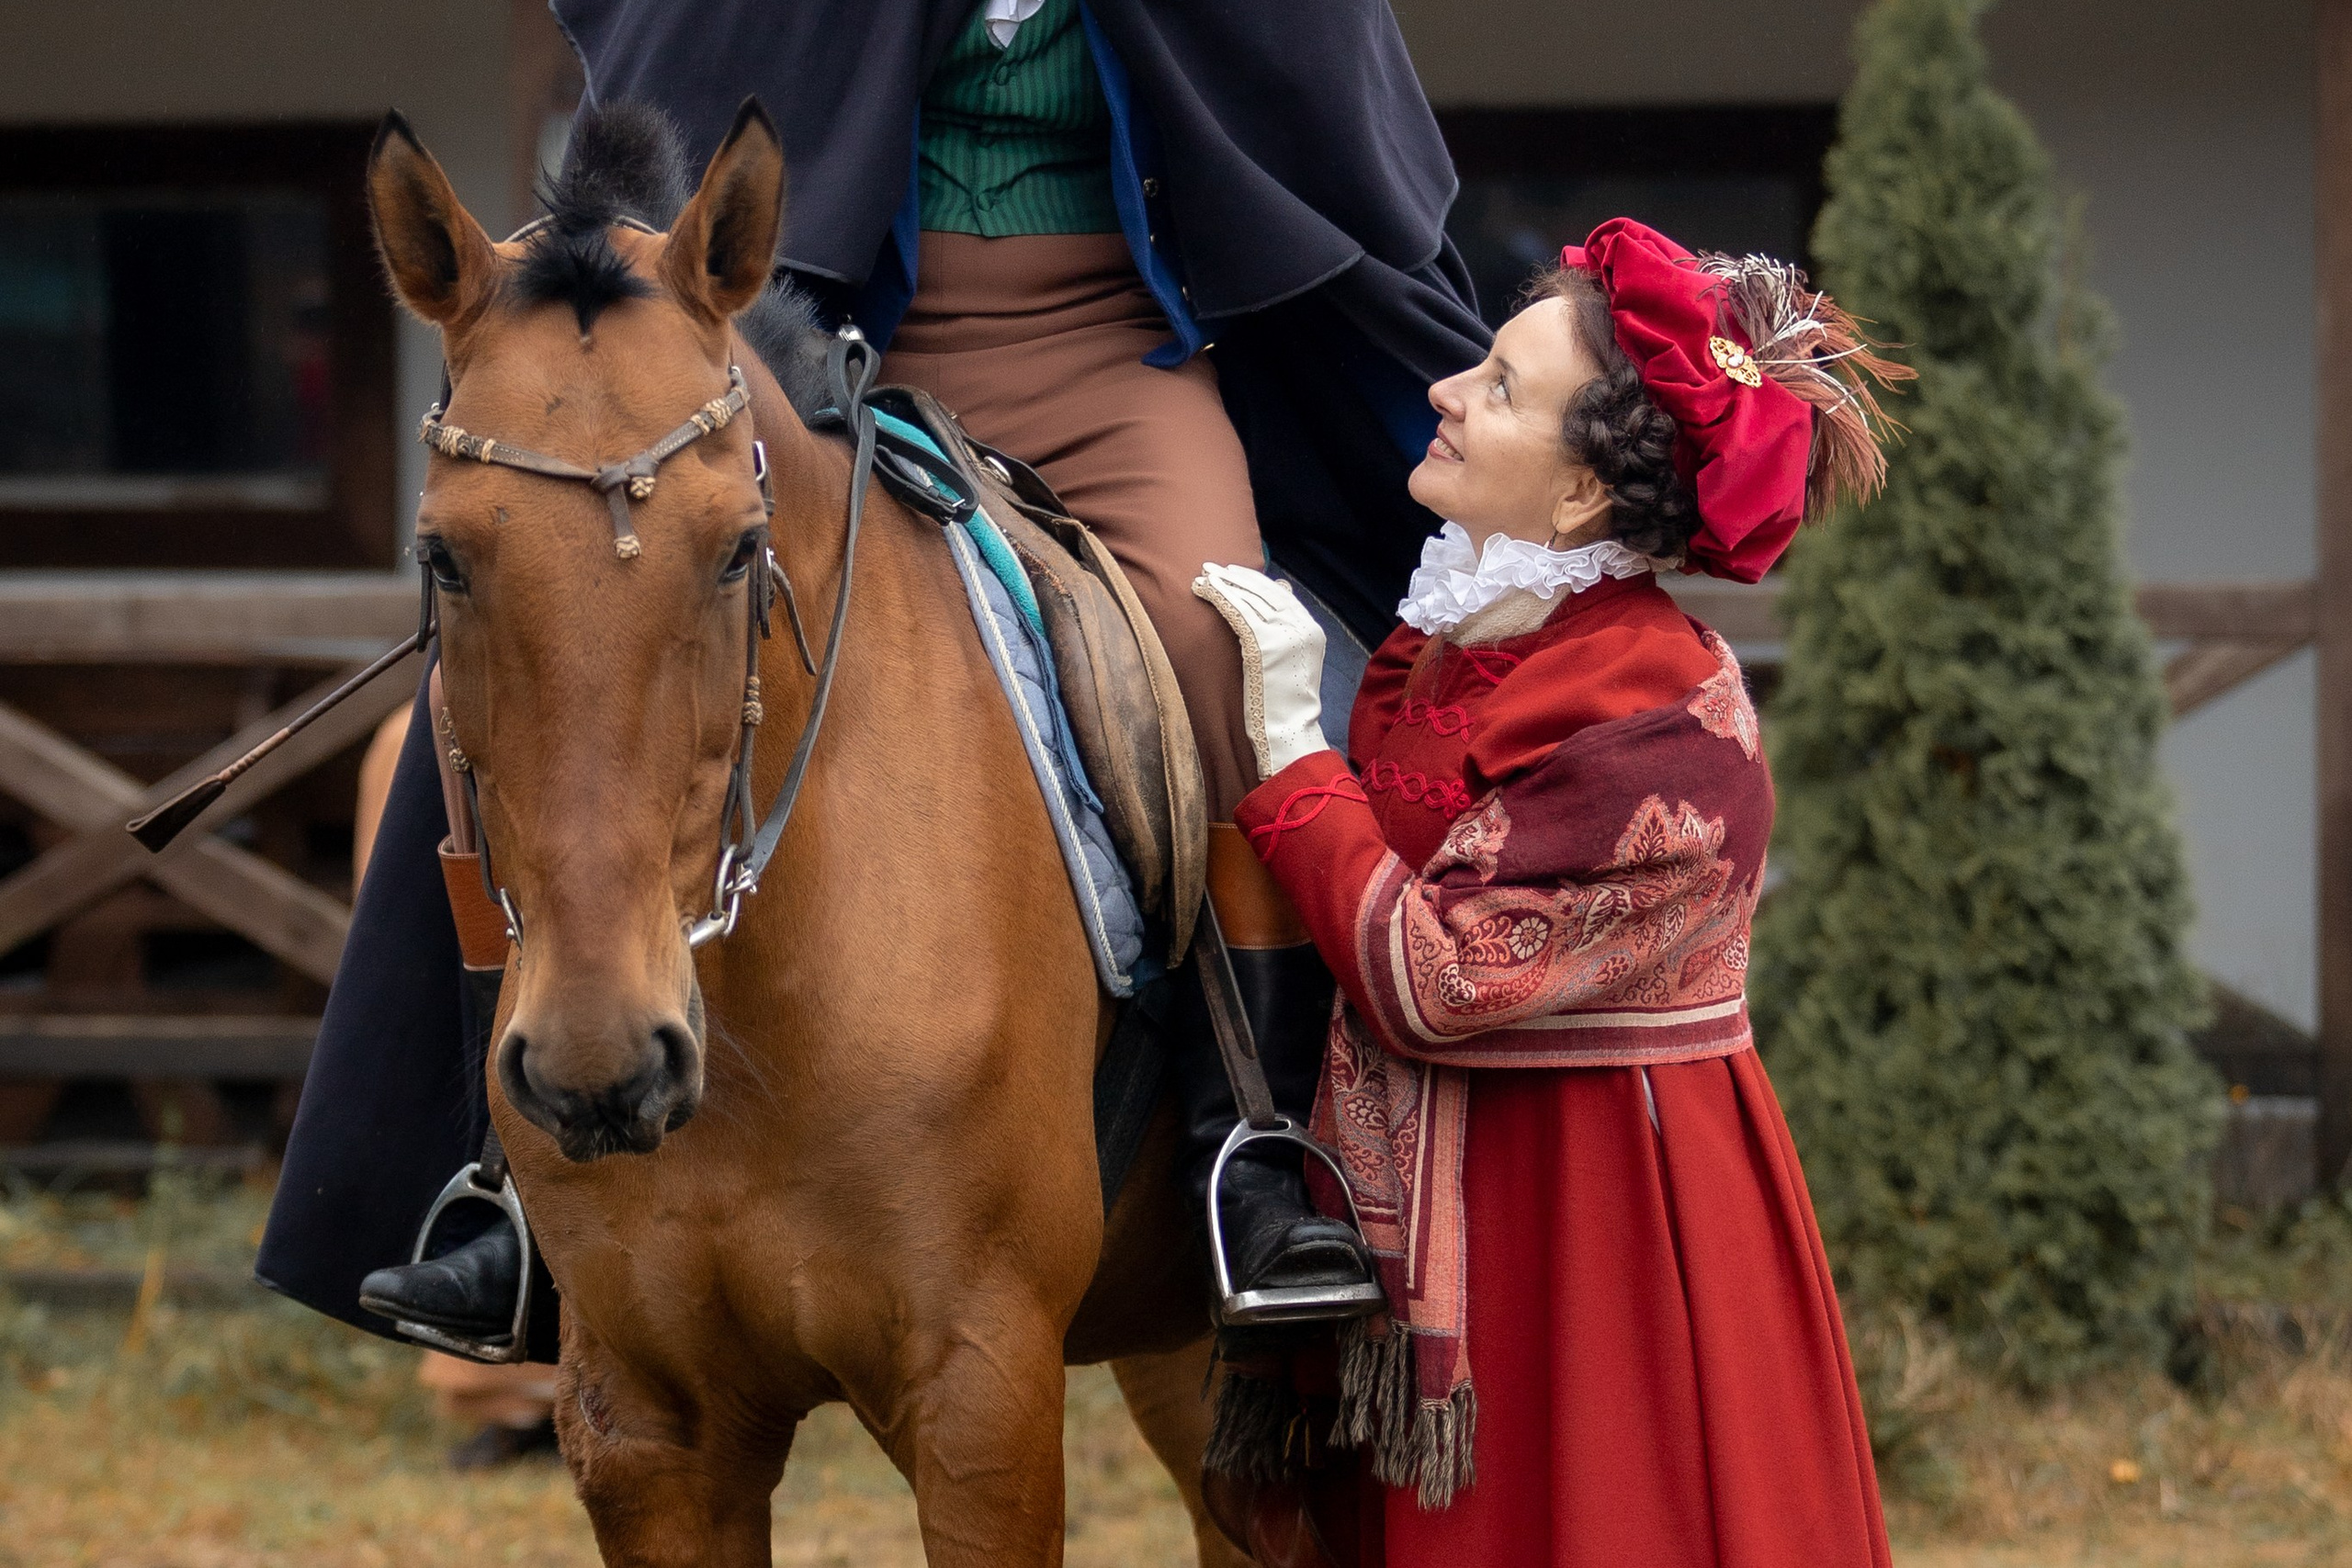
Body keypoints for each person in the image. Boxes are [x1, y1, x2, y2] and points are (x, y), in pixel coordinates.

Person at [260, 0, 1490, 1357]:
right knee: (539, 644)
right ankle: (497, 1183)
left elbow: (1311, 113)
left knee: (1218, 644)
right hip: (819, 340)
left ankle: (1245, 1147)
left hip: (1113, 349)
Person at [1191, 218, 1907, 1565]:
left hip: (1601, 1233)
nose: (1447, 392)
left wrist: (1290, 747)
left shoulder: (1654, 712)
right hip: (1475, 1211)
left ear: (1581, 501)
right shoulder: (1452, 644)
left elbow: (1440, 980)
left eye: (1502, 388)